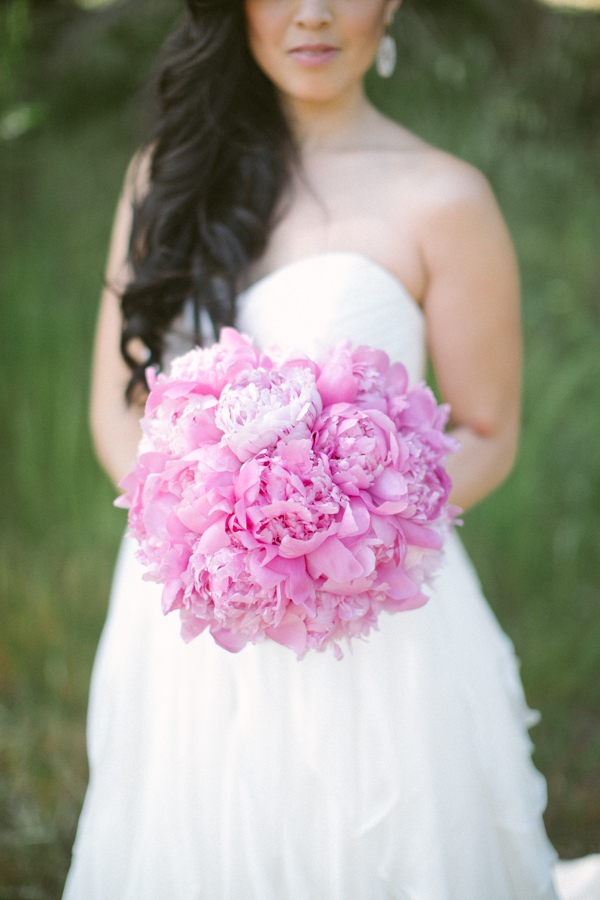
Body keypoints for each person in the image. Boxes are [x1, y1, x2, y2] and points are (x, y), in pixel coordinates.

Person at [62, 1, 600, 898]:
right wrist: (217, 543)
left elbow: (490, 430)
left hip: (370, 616)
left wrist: (333, 546)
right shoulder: (165, 177)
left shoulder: (446, 196)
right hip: (194, 615)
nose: (312, 14)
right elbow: (119, 415)